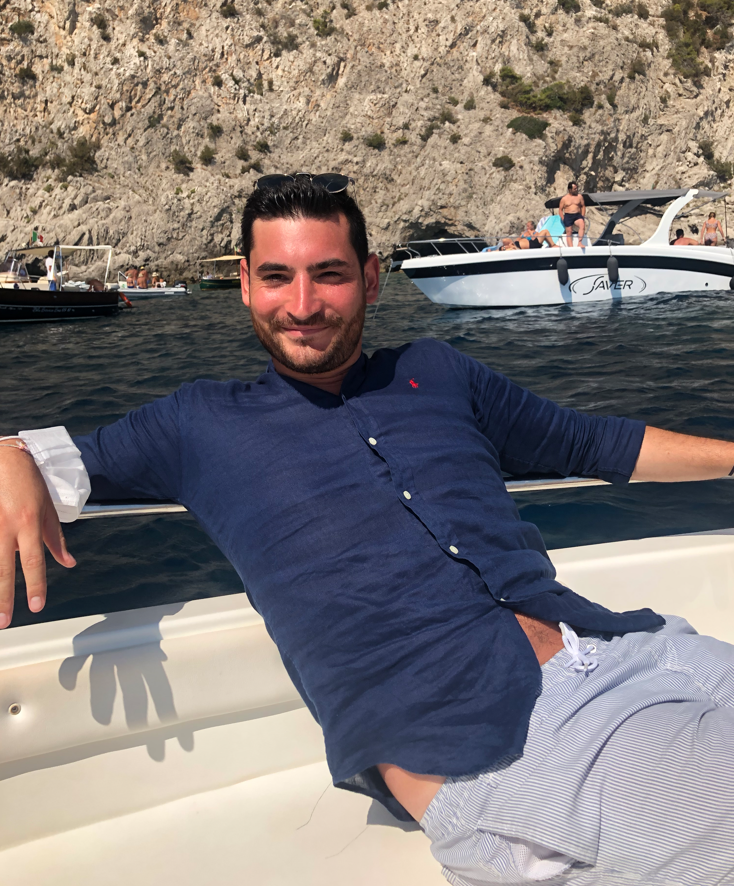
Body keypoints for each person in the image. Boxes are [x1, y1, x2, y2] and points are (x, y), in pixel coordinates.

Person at [2, 178, 734, 886]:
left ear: (371, 279)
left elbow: (589, 443)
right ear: (246, 285)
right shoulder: (195, 425)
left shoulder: (437, 371)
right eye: (277, 277)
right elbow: (43, 460)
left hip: (633, 647)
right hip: (496, 741)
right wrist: (10, 455)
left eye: (329, 275)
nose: (302, 305)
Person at [559, 181, 586, 247]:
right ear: (570, 190)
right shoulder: (564, 199)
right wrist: (563, 218)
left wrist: (582, 216)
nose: (576, 190)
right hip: (568, 215)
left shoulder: (579, 197)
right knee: (569, 232)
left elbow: (583, 206)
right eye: (574, 189)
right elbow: (560, 210)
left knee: (582, 225)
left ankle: (580, 243)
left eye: (576, 188)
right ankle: (571, 247)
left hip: (577, 215)